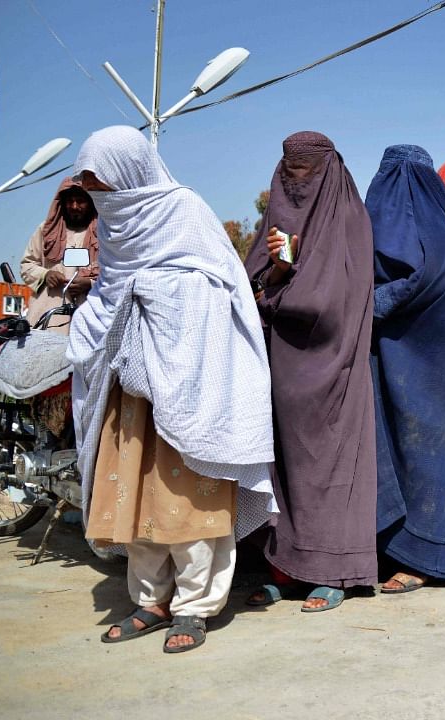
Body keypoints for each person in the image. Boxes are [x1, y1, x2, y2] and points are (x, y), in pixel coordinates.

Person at [67, 126, 277, 653]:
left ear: (131, 176)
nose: (100, 200)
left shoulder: (184, 210)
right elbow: (112, 289)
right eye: (93, 190)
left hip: (190, 379)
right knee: (134, 497)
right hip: (132, 387)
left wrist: (149, 295)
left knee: (190, 498)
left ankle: (195, 605)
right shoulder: (117, 229)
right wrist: (103, 311)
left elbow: (217, 290)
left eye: (105, 187)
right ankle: (150, 600)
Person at [244, 131, 378, 609]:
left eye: (309, 170)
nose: (298, 182)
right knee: (285, 469)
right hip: (281, 370)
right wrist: (277, 272)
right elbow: (249, 292)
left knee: (331, 469)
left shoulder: (348, 220)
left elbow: (330, 303)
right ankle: (287, 568)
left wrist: (281, 288)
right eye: (290, 170)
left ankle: (336, 571)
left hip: (334, 366)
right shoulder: (274, 224)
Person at [365, 145, 445, 593]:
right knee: (393, 451)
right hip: (396, 360)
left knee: (427, 456)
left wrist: (357, 304)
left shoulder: (440, 235)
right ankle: (386, 552)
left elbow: (413, 283)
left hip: (429, 362)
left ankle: (427, 557)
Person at [19, 178, 100, 332]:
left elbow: (116, 276)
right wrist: (46, 274)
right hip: (49, 317)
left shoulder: (103, 234)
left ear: (90, 203)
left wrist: (90, 284)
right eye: (70, 201)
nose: (74, 206)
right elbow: (27, 265)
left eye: (80, 201)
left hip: (90, 317)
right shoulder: (46, 231)